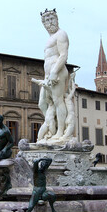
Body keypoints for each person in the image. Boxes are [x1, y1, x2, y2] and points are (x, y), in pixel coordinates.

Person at [38, 8, 69, 140]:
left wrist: (54, 71)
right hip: (48, 74)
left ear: (57, 19)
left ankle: (60, 132)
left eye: (51, 19)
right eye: (46, 20)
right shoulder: (50, 38)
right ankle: (52, 127)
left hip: (57, 72)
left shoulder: (61, 34)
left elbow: (63, 55)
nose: (49, 23)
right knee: (42, 103)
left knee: (58, 101)